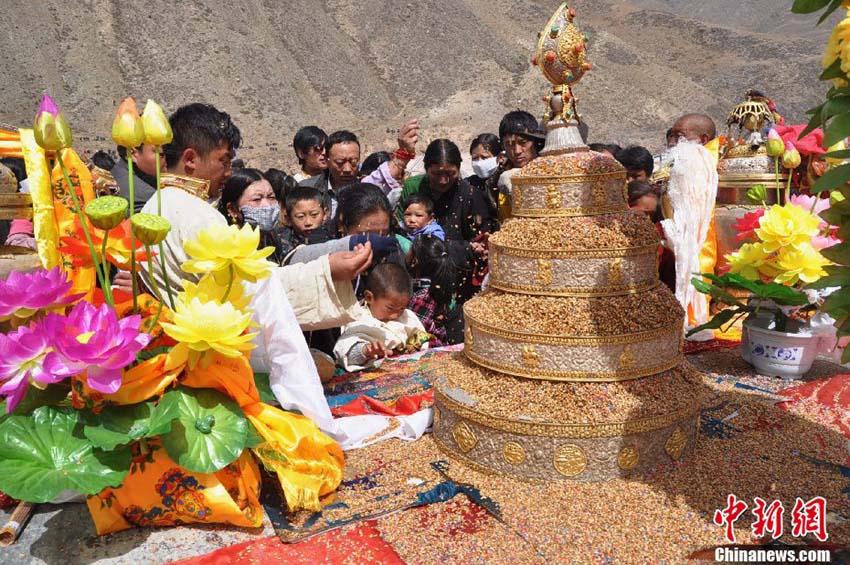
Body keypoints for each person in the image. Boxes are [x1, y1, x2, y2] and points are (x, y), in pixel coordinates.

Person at [333, 262, 429, 372]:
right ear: (369, 297)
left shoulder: (407, 316)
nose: (396, 314)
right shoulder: (359, 319)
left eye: (402, 308)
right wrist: (366, 351)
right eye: (390, 308)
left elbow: (420, 334)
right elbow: (345, 350)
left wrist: (413, 347)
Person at [217, 168, 290, 264]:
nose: (267, 206)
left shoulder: (271, 237)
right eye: (257, 199)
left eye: (271, 197)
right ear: (232, 209)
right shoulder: (227, 245)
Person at [408, 234, 458, 346]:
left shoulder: (422, 296)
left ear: (414, 261)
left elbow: (416, 333)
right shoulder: (438, 284)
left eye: (410, 249)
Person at [276, 186, 332, 257]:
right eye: (300, 216)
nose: (308, 222)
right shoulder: (281, 241)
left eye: (314, 215)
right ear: (288, 218)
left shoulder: (332, 238)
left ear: (325, 213)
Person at [112, 143, 165, 213]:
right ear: (133, 153)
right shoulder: (145, 196)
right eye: (161, 153)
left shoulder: (118, 170)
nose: (168, 159)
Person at [466, 133, 502, 216]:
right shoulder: (468, 184)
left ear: (499, 157)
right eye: (475, 158)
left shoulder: (504, 181)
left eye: (484, 157)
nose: (479, 163)